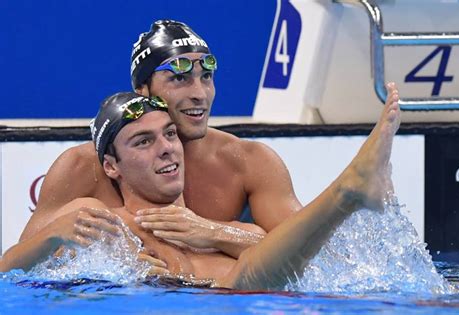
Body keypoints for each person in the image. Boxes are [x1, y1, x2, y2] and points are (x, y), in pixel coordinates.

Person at [1, 84, 401, 290]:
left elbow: (324, 265)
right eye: (143, 142)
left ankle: (349, 192)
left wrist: (212, 232)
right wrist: (51, 236)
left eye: (170, 135)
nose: (167, 150)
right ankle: (346, 192)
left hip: (253, 301)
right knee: (246, 277)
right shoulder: (103, 223)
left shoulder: (235, 232)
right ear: (111, 166)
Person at [19, 20, 302, 260]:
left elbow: (315, 255)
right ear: (142, 91)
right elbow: (19, 270)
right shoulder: (82, 167)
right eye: (180, 79)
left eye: (206, 77)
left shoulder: (248, 162)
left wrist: (212, 232)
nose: (200, 93)